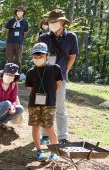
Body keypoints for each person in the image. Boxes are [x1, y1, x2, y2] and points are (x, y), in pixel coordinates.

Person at [37, 9, 79, 144]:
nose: (53, 23)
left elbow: (72, 56)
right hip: (43, 77)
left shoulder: (71, 37)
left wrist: (65, 71)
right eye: (51, 21)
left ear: (62, 22)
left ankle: (62, 136)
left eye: (55, 21)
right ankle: (45, 135)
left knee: (60, 107)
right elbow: (37, 56)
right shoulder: (43, 37)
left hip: (60, 77)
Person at [26, 43, 62, 161]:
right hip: (34, 104)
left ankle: (54, 151)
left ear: (47, 55)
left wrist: (50, 97)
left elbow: (58, 85)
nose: (37, 58)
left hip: (49, 104)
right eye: (35, 56)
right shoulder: (30, 72)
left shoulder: (55, 68)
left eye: (40, 55)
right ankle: (39, 150)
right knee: (35, 126)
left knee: (49, 127)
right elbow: (32, 89)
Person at [0, 63, 24, 133]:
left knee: (20, 109)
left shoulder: (14, 85)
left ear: (15, 76)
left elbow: (13, 99)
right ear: (3, 74)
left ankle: (1, 122)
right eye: (7, 74)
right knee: (7, 103)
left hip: (2, 110)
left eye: (11, 75)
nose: (9, 76)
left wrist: (13, 106)